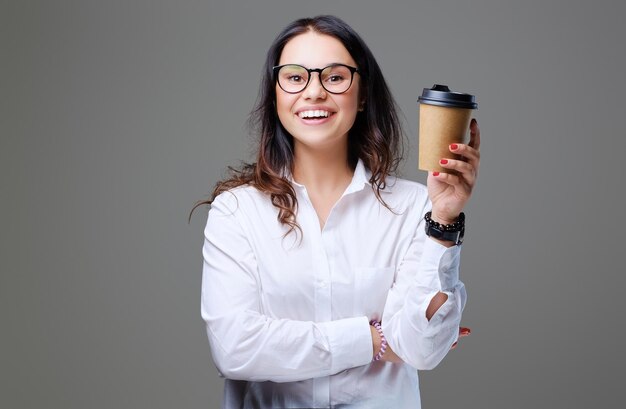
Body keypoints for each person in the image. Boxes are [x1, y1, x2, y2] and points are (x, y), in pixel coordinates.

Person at [197, 14, 480, 408]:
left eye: (334, 77)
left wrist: (444, 220)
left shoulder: (415, 207)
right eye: (295, 77)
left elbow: (421, 348)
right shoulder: (237, 211)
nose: (313, 92)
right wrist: (374, 339)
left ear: (362, 94)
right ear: (275, 94)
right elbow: (235, 349)